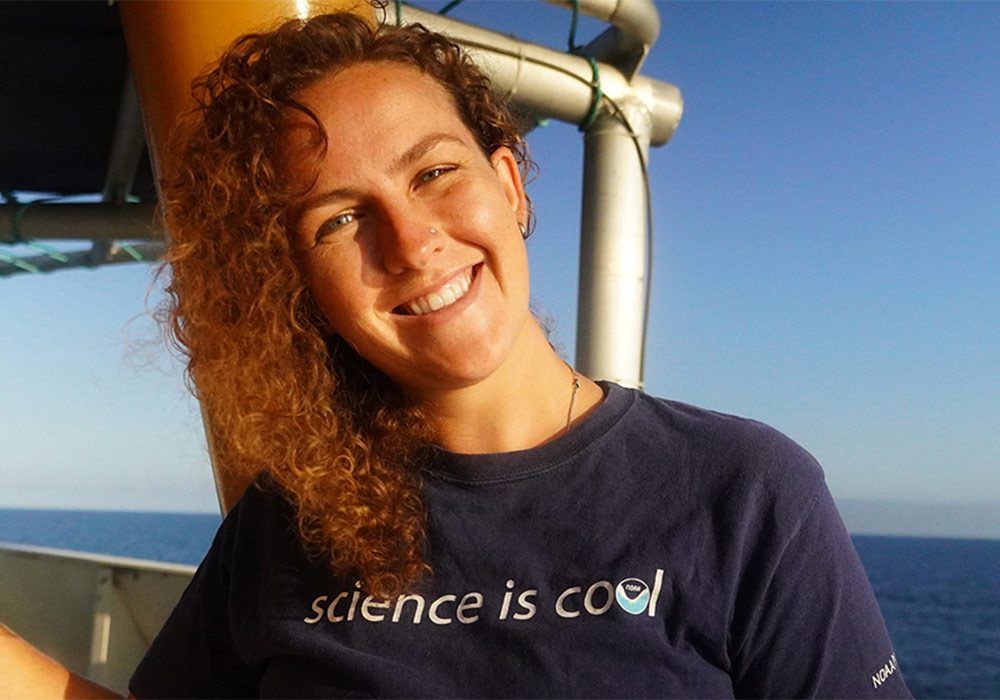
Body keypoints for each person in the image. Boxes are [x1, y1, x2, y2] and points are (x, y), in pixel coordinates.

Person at [2, 10, 911, 699]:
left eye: (434, 172)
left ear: (508, 183)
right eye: (339, 220)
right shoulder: (286, 522)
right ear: (298, 283)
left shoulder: (744, 493)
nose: (411, 243)